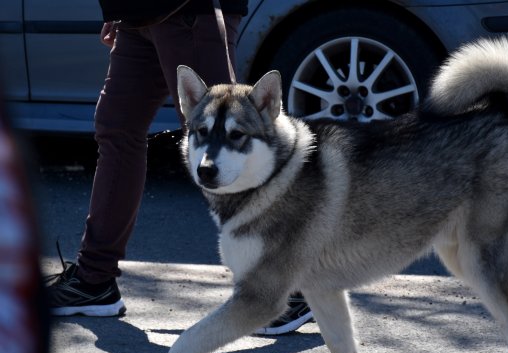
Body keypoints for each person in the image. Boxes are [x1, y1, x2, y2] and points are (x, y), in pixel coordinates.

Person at [45, 0, 313, 335]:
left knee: (226, 140)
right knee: (117, 129)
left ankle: (286, 290)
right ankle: (93, 280)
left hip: (187, 11)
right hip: (140, 14)